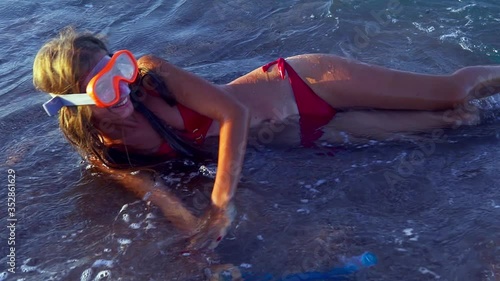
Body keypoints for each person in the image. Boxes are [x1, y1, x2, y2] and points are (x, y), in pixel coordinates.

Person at [33, 27, 499, 250]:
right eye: (105, 84)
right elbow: (161, 199)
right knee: (456, 122)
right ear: (74, 104)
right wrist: (199, 240)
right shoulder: (109, 155)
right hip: (302, 131)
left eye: (120, 66)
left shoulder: (153, 74)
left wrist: (220, 204)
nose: (124, 84)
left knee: (449, 92)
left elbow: (233, 111)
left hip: (306, 84)